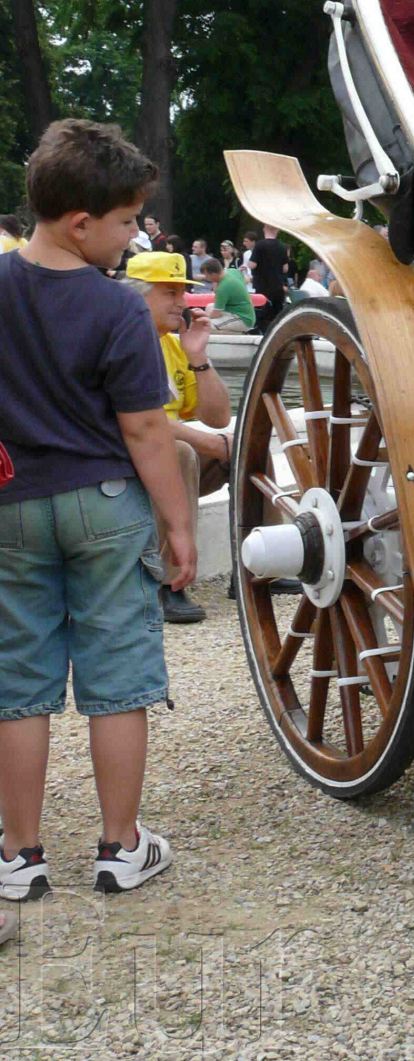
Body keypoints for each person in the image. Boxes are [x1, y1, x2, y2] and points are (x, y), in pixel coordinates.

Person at [0, 119, 186, 902]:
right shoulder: (118, 309)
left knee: (18, 680)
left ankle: (19, 856)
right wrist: (178, 524)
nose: (133, 236)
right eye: (126, 222)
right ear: (81, 223)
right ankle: (120, 847)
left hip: (13, 504)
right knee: (118, 676)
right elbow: (145, 430)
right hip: (106, 505)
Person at [124, 251, 233, 624]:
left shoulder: (172, 344)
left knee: (247, 447)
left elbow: (218, 417)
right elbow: (140, 418)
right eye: (169, 292)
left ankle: (258, 568)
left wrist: (198, 357)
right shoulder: (120, 340)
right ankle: (169, 582)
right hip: (125, 459)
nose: (182, 302)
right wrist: (209, 444)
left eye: (181, 292)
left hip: (161, 455)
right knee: (181, 451)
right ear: (137, 295)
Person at [251, 224, 289, 325]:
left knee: (262, 314)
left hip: (262, 286)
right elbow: (285, 268)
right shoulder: (282, 246)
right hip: (277, 286)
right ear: (277, 231)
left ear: (264, 229)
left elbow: (252, 265)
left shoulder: (259, 245)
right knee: (277, 317)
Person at [207, 257, 255, 330]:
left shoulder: (223, 287)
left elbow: (216, 314)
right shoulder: (233, 271)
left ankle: (237, 333)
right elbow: (245, 280)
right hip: (243, 313)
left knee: (205, 326)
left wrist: (203, 318)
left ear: (213, 274)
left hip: (242, 319)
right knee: (209, 307)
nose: (206, 278)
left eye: (206, 275)